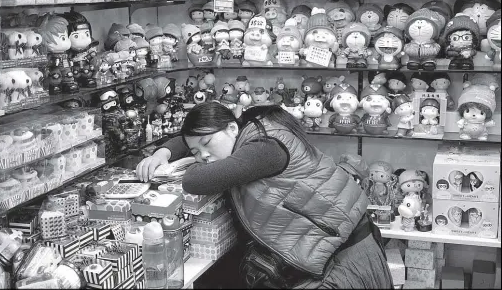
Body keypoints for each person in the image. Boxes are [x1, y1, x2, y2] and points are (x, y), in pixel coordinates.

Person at [136, 102, 393, 288]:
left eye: (206, 146)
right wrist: (163, 153)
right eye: (196, 151)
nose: (203, 156)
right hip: (329, 245)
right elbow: (198, 136)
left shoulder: (264, 147)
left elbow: (197, 180)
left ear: (232, 129)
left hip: (342, 257)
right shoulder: (253, 127)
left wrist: (186, 163)